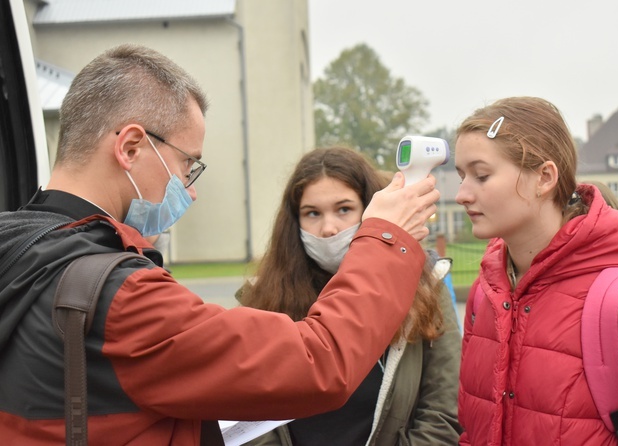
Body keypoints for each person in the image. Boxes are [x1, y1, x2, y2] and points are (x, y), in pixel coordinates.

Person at [0, 44, 441, 444]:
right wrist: (385, 235)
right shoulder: (120, 296)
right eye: (187, 164)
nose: (189, 190)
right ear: (131, 148)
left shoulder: (20, 249)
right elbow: (318, 362)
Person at [453, 97, 618, 445]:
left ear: (544, 177)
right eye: (462, 176)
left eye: (481, 175)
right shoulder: (485, 294)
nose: (462, 194)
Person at [237, 147, 462, 445]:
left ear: (371, 210)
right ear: (294, 222)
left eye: (344, 209)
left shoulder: (424, 288)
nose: (329, 228)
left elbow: (442, 412)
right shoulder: (262, 300)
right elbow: (248, 414)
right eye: (312, 213)